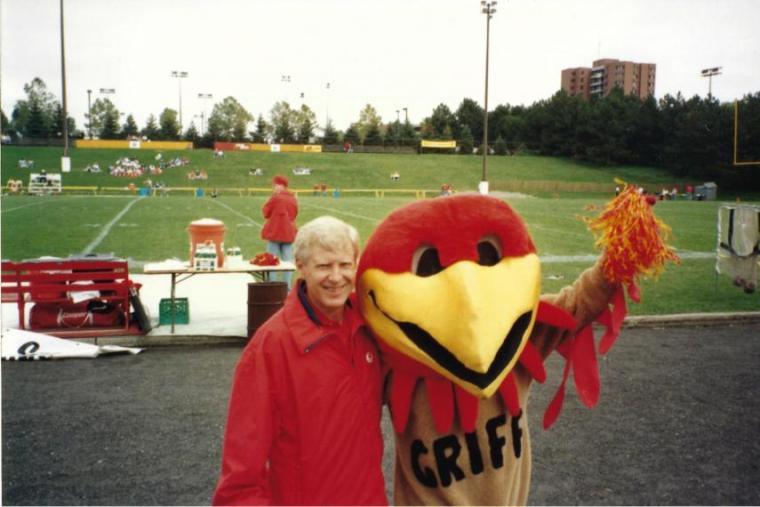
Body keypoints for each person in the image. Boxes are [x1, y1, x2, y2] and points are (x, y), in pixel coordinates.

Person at [212, 216, 387, 506]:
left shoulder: (370, 326)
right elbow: (241, 476)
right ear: (301, 267)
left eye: (344, 264)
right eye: (323, 266)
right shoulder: (270, 348)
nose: (336, 276)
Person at [261, 175, 298, 289]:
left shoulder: (276, 198)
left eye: (275, 185)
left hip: (275, 232)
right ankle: (287, 288)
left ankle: (272, 287)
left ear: (280, 186)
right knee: (288, 262)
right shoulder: (293, 198)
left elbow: (265, 212)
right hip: (288, 233)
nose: (273, 188)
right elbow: (295, 214)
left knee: (271, 262)